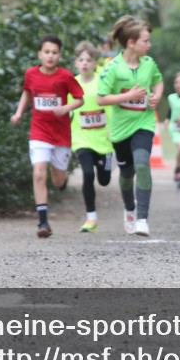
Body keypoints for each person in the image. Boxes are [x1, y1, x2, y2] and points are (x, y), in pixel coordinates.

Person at [10, 34, 85, 239]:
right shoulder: (31, 74)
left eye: (54, 52)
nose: (50, 56)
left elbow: (80, 99)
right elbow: (27, 93)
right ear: (39, 54)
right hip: (39, 131)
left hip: (61, 134)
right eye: (47, 52)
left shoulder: (65, 76)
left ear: (59, 55)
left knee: (57, 179)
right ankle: (43, 222)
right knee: (38, 173)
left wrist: (65, 108)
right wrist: (18, 113)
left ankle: (61, 180)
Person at [97, 15, 163, 237]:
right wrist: (128, 96)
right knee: (127, 173)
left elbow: (158, 81)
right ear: (131, 43)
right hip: (121, 129)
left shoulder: (149, 64)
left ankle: (142, 219)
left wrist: (157, 96)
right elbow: (101, 99)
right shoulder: (113, 68)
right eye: (146, 41)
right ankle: (129, 209)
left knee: (142, 164)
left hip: (144, 122)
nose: (149, 44)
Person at [69, 41, 114, 233]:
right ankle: (91, 218)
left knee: (104, 180)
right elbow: (67, 109)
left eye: (89, 60)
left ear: (95, 63)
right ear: (76, 63)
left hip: (103, 139)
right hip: (81, 139)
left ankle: (106, 162)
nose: (85, 63)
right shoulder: (71, 84)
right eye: (81, 60)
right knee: (88, 174)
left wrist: (113, 130)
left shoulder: (102, 82)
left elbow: (110, 106)